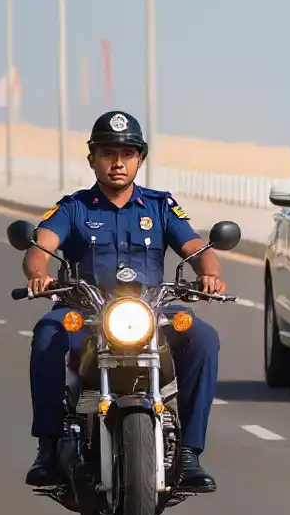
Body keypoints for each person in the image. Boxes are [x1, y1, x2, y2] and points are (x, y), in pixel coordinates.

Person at [22, 111, 226, 494]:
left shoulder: (160, 206)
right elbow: (40, 246)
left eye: (127, 153)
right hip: (85, 309)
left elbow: (197, 247)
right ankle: (47, 447)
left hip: (153, 310)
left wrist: (210, 273)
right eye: (108, 153)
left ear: (140, 160)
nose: (118, 162)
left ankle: (189, 453)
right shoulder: (74, 207)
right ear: (92, 159)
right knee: (47, 334)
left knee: (203, 338)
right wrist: (38, 273)